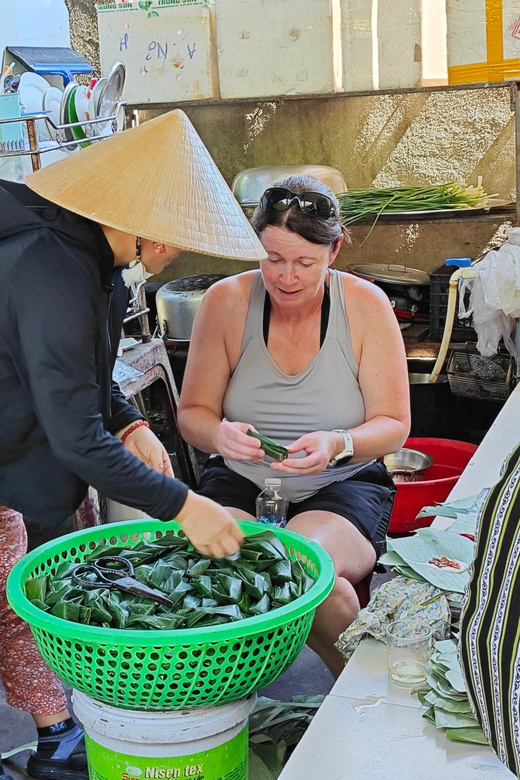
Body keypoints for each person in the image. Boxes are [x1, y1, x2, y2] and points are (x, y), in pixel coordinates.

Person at [0, 109, 266, 780]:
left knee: (31, 601)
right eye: (173, 233)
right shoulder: (47, 266)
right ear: (138, 218)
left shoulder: (96, 262)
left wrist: (131, 423)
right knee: (13, 602)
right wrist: (186, 506)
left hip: (25, 450)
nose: (176, 248)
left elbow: (83, 380)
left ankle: (58, 734)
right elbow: (73, 438)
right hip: (13, 453)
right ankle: (54, 740)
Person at [178, 175, 411, 678]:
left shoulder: (366, 306)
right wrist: (219, 435)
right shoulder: (225, 302)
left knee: (298, 565)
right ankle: (226, 712)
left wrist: (338, 442)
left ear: (334, 250)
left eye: (305, 262)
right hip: (241, 479)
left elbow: (394, 426)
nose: (286, 277)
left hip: (343, 482)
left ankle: (362, 701)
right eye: (272, 259)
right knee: (212, 572)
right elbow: (193, 413)